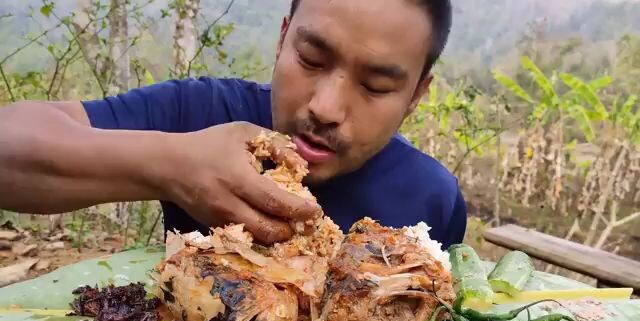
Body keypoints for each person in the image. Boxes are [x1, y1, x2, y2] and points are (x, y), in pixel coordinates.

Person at [0, 0, 467, 248]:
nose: (325, 107)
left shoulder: (434, 200)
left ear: (415, 95)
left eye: (376, 86)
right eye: (310, 58)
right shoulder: (199, 116)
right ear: (283, 40)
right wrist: (171, 165)